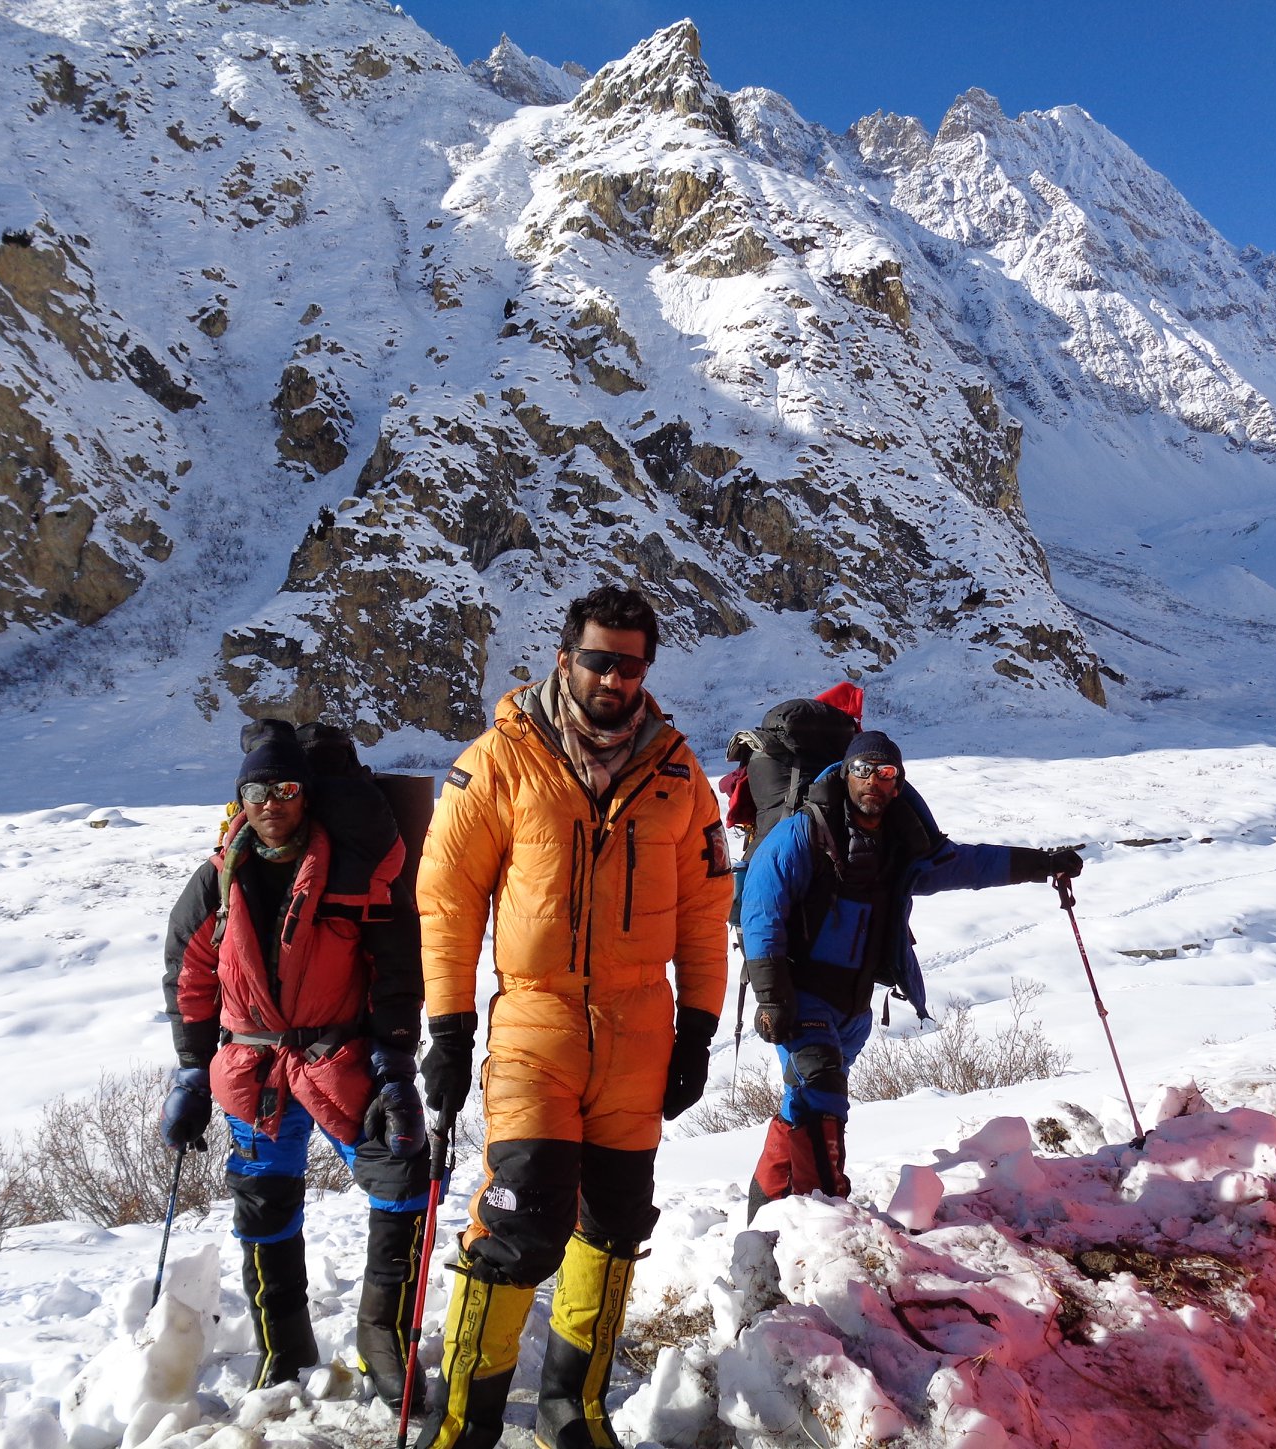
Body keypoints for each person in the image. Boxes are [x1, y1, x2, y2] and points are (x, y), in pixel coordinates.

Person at [412, 585, 734, 1449]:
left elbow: (706, 912)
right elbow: (446, 902)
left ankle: (572, 1407)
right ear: (565, 658)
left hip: (640, 1030)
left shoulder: (677, 774)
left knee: (617, 1222)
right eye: (600, 659)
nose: (615, 679)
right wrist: (446, 1028)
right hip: (535, 1024)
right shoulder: (501, 760)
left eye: (632, 664)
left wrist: (700, 1026)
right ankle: (464, 1424)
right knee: (521, 1222)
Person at [159, 725, 431, 1406]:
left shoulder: (352, 870)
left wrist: (396, 1063)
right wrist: (192, 1071)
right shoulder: (215, 880)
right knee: (262, 1201)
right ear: (240, 797)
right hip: (253, 1070)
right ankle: (283, 1346)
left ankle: (383, 1340)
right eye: (257, 789)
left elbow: (398, 967)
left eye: (284, 788)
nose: (271, 802)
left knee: (402, 1180)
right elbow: (189, 976)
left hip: (337, 1059)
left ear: (306, 796)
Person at [738, 729, 1082, 1218]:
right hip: (800, 991)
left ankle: (765, 1217)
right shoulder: (801, 833)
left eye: (885, 773)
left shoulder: (903, 846)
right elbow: (761, 910)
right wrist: (772, 997)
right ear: (845, 773)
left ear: (898, 783)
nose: (872, 781)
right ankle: (826, 1220)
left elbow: (970, 864)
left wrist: (1041, 864)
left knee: (804, 1103)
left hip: (855, 1002)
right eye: (862, 770)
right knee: (822, 1094)